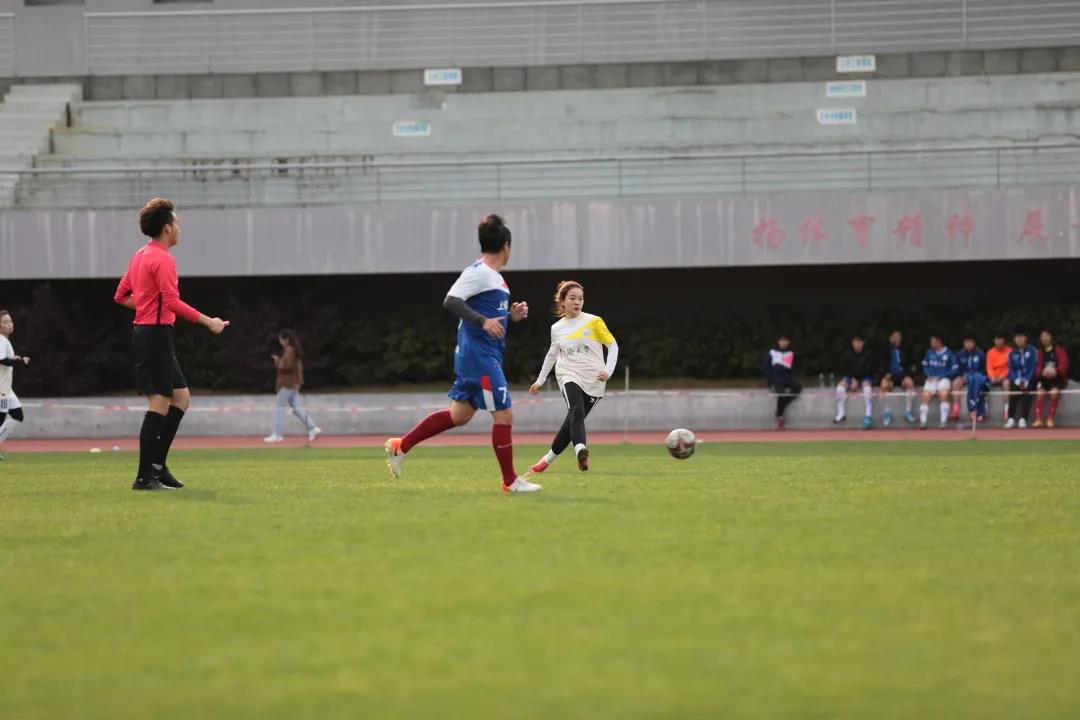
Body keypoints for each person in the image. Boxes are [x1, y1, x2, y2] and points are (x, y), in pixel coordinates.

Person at [384, 214, 539, 493]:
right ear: (506, 246)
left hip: (480, 356)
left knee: (460, 415)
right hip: (480, 359)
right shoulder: (478, 272)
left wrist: (510, 316)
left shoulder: (494, 278)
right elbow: (451, 300)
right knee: (504, 415)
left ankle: (401, 446)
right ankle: (510, 481)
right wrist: (483, 321)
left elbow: (488, 317)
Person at [114, 198, 230, 490]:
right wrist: (209, 321)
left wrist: (146, 305)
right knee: (159, 403)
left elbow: (121, 296)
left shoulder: (140, 255)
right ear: (167, 228)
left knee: (181, 398)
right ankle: (144, 478)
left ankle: (157, 466)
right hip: (154, 335)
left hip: (151, 334)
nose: (179, 227)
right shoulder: (163, 258)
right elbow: (172, 301)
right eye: (177, 222)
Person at [527, 280, 619, 474]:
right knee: (576, 409)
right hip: (568, 374)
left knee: (572, 421)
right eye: (572, 298)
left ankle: (545, 461)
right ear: (562, 301)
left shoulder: (594, 321)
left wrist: (608, 371)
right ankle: (581, 450)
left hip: (594, 380)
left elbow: (613, 345)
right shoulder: (556, 328)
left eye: (580, 298)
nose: (577, 302)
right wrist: (540, 380)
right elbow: (552, 355)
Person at [264, 329, 322, 444]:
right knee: (297, 408)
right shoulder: (293, 350)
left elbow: (286, 366)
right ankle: (312, 428)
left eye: (281, 339)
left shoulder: (289, 350)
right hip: (294, 383)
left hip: (287, 383)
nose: (280, 342)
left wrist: (277, 361)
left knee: (280, 409)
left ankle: (278, 435)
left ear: (286, 340)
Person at [0, 310, 31, 461]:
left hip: (6, 388)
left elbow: (6, 359)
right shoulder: (1, 340)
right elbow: (2, 360)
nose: (10, 324)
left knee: (18, 415)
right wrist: (18, 361)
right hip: (1, 389)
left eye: (10, 321)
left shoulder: (5, 341)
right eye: (6, 322)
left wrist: (14, 358)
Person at [835, 334, 875, 429]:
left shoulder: (868, 354)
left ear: (862, 343)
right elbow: (845, 370)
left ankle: (868, 416)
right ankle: (841, 413)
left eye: (859, 342)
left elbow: (869, 370)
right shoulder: (848, 354)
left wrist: (858, 381)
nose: (857, 344)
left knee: (867, 388)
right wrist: (852, 379)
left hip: (865, 377)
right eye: (855, 342)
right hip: (851, 377)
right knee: (840, 388)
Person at [919, 334, 959, 429]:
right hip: (931, 378)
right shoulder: (929, 352)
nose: (931, 343)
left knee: (943, 394)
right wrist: (929, 375)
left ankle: (943, 422)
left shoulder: (949, 354)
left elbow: (954, 370)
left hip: (943, 378)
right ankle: (923, 422)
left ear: (939, 341)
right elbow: (924, 366)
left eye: (933, 341)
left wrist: (941, 376)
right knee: (925, 395)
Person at [878, 330, 917, 427]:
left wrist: (909, 373)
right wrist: (885, 374)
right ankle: (887, 412)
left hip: (901, 374)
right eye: (896, 337)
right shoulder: (884, 349)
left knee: (910, 384)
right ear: (890, 338)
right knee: (883, 386)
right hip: (889, 375)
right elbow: (881, 365)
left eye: (899, 337)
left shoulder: (904, 349)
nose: (898, 339)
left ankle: (908, 411)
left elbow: (909, 364)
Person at [762, 334, 801, 430]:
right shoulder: (772, 352)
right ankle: (780, 416)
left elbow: (792, 367)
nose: (783, 343)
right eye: (782, 341)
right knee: (781, 393)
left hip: (786, 378)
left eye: (785, 341)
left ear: (788, 342)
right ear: (778, 342)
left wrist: (791, 377)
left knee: (797, 388)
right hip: (775, 377)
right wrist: (770, 380)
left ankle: (780, 410)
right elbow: (766, 366)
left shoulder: (790, 353)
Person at [1033, 330, 1070, 428]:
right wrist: (1041, 372)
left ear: (1051, 337)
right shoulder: (1040, 352)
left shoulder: (1059, 350)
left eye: (1046, 336)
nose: (1044, 338)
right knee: (1039, 393)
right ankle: (1038, 419)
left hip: (1057, 378)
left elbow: (1064, 364)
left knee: (1054, 392)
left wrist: (1056, 371)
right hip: (1044, 378)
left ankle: (1050, 418)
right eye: (1042, 336)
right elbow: (1037, 366)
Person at [1005, 331, 1037, 429]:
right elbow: (1011, 368)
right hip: (1016, 379)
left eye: (1021, 337)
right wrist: (1016, 379)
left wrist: (1027, 379)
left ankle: (1023, 418)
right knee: (1013, 394)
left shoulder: (1032, 351)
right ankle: (1011, 418)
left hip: (1028, 378)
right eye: (1017, 337)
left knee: (1027, 394)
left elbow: (1033, 367)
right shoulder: (1012, 353)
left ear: (1025, 338)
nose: (1019, 340)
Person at [952, 335, 986, 421]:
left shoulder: (980, 354)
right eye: (966, 342)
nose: (968, 344)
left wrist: (972, 376)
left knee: (975, 383)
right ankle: (956, 409)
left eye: (970, 342)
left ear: (974, 343)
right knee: (956, 383)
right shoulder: (960, 354)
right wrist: (962, 375)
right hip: (963, 376)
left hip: (976, 377)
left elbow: (983, 370)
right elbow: (956, 368)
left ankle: (975, 410)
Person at [985, 333, 1012, 420]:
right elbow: (989, 367)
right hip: (993, 377)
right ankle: (983, 410)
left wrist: (1003, 376)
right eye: (997, 339)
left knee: (1007, 384)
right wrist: (992, 377)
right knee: (984, 384)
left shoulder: (1010, 351)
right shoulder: (990, 352)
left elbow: (1010, 367)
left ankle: (1006, 410)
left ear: (1004, 340)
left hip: (1005, 377)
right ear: (994, 341)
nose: (998, 341)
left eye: (1000, 339)